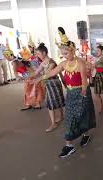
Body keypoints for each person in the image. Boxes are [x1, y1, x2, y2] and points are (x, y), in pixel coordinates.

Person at [33, 27, 96, 158]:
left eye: (66, 53)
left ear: (72, 51)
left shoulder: (80, 64)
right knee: (70, 119)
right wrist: (39, 78)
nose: (64, 55)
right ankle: (69, 145)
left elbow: (85, 81)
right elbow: (51, 72)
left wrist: (83, 93)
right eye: (62, 53)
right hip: (71, 94)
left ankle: (85, 135)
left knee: (82, 115)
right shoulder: (63, 63)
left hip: (82, 93)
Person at [29, 43, 65, 132]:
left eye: (38, 54)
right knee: (54, 101)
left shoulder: (51, 62)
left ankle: (54, 123)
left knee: (52, 102)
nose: (37, 55)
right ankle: (59, 117)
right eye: (36, 54)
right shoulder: (43, 62)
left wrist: (37, 80)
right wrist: (26, 77)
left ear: (44, 53)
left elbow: (47, 74)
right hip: (49, 83)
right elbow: (36, 72)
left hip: (54, 83)